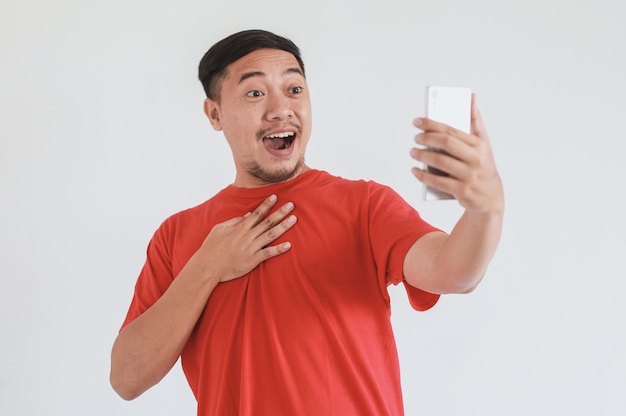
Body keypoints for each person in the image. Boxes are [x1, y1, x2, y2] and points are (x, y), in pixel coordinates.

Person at [110, 29, 504, 416]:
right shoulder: (176, 235)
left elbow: (455, 274)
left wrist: (486, 208)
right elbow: (127, 379)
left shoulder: (364, 205)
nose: (281, 108)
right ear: (215, 113)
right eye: (255, 93)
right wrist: (207, 267)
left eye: (294, 89)